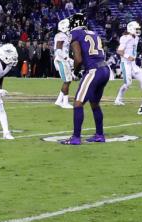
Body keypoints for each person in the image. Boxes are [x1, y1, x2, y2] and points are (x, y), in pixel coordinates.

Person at [60, 13, 110, 145]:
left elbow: (78, 58)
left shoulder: (75, 34)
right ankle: (99, 135)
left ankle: (76, 137)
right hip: (105, 69)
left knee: (78, 103)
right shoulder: (93, 33)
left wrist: (75, 71)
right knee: (94, 103)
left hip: (94, 71)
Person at [114, 21, 142, 106]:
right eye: (136, 29)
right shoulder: (125, 37)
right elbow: (119, 51)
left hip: (133, 64)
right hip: (126, 63)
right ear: (131, 29)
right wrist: (128, 56)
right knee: (128, 83)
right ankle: (118, 99)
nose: (138, 30)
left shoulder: (136, 38)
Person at [53, 19, 73, 109]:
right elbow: (58, 50)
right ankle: (65, 102)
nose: (69, 28)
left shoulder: (64, 35)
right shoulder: (60, 36)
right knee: (67, 80)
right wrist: (67, 58)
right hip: (61, 60)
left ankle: (58, 101)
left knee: (68, 80)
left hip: (63, 59)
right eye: (68, 26)